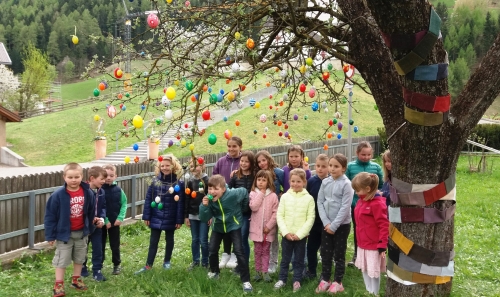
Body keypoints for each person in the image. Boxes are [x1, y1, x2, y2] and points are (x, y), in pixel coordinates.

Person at [44, 163, 96, 297]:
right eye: (70, 177)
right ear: (64, 177)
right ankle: (59, 284)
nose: (74, 180)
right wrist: (50, 235)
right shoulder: (58, 195)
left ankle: (76, 280)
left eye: (76, 177)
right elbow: (50, 216)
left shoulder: (87, 192)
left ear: (82, 176)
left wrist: (90, 226)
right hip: (64, 235)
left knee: (80, 258)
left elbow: (91, 211)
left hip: (81, 233)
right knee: (62, 259)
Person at [199, 174, 253, 293]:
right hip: (218, 226)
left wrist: (242, 209)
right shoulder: (209, 200)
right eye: (210, 188)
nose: (212, 191)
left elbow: (244, 192)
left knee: (239, 250)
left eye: (216, 189)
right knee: (212, 249)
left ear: (223, 189)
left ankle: (246, 280)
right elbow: (204, 218)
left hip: (233, 225)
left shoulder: (232, 194)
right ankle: (215, 272)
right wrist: (204, 206)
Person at [135, 154, 185, 274]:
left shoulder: (178, 183)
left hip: (171, 216)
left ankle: (166, 261)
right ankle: (148, 265)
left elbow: (180, 203)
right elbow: (148, 199)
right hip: (156, 215)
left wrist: (179, 220)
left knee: (169, 239)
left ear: (173, 166)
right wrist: (147, 216)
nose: (165, 168)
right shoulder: (155, 181)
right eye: (162, 165)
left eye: (167, 165)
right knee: (153, 241)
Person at [315, 154, 354, 293]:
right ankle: (325, 279)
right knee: (325, 252)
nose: (332, 169)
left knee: (339, 253)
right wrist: (326, 222)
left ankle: (338, 281)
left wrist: (334, 225)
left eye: (336, 166)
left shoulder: (347, 184)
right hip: (326, 225)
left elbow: (345, 207)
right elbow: (320, 201)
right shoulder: (325, 182)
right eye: (330, 165)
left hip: (341, 225)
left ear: (343, 168)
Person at [274, 168, 315, 293]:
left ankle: (297, 280)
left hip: (300, 237)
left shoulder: (309, 199)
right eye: (293, 181)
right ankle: (282, 279)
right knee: (285, 259)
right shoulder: (285, 197)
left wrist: (300, 234)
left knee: (299, 260)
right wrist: (285, 232)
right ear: (289, 181)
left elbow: (310, 218)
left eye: (298, 181)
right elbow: (280, 215)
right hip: (286, 235)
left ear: (304, 182)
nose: (295, 184)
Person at [345, 141, 383, 266]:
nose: (366, 157)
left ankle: (376, 255)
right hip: (356, 205)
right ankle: (357, 255)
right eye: (363, 154)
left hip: (372, 206)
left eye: (368, 155)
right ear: (357, 153)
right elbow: (347, 184)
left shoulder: (376, 167)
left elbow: (380, 185)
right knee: (359, 230)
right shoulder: (350, 167)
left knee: (373, 231)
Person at [352, 172, 389, 296]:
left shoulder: (377, 204)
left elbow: (384, 225)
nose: (356, 193)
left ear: (367, 189)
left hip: (373, 245)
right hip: (362, 243)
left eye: (358, 190)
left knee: (373, 271)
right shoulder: (361, 201)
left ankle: (375, 292)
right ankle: (368, 291)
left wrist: (382, 244)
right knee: (365, 268)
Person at [213, 136, 243, 269]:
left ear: (240, 147)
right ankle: (226, 253)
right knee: (224, 225)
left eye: (234, 146)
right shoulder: (221, 161)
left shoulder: (243, 161)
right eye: (229, 146)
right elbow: (214, 177)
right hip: (221, 201)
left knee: (234, 227)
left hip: (236, 200)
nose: (231, 149)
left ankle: (235, 255)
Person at [255, 150, 284, 273]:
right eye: (259, 162)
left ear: (269, 159)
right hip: (262, 210)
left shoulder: (278, 172)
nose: (262, 163)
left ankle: (273, 261)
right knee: (264, 237)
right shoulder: (259, 174)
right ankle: (262, 261)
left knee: (274, 237)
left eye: (263, 160)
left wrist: (282, 195)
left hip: (276, 209)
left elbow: (287, 186)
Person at [228, 150, 256, 274]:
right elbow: (229, 191)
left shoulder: (255, 175)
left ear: (251, 163)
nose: (243, 163)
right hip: (237, 212)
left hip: (251, 212)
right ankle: (241, 264)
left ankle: (243, 266)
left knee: (243, 237)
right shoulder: (235, 176)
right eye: (242, 161)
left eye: (246, 161)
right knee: (239, 238)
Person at [248, 170, 279, 283]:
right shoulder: (253, 194)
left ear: (268, 182)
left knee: (266, 251)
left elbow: (276, 213)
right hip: (256, 230)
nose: (261, 182)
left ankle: (265, 272)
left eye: (264, 180)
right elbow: (254, 207)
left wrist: (269, 226)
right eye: (259, 179)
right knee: (257, 251)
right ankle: (257, 271)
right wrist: (261, 193)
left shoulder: (273, 196)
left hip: (267, 231)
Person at [304, 153, 329, 280]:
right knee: (311, 248)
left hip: (327, 222)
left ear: (329, 167)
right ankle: (311, 271)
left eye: (323, 166)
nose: (320, 169)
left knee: (325, 250)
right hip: (314, 221)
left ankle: (325, 274)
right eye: (318, 166)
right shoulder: (311, 181)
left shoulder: (332, 181)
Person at [101, 164, 128, 275]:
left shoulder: (118, 190)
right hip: (102, 224)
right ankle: (99, 264)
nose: (108, 178)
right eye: (106, 175)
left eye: (111, 175)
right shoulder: (99, 190)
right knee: (100, 244)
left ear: (115, 176)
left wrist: (120, 218)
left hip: (115, 223)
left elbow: (124, 203)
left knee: (115, 245)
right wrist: (105, 221)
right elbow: (100, 207)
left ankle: (116, 264)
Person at [184, 156, 210, 270]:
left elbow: (211, 199)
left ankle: (205, 261)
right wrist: (186, 216)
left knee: (203, 240)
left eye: (196, 165)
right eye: (191, 166)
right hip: (193, 214)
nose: (194, 168)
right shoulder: (190, 182)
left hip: (204, 215)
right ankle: (195, 261)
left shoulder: (208, 181)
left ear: (203, 166)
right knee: (195, 239)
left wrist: (210, 215)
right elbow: (187, 200)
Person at [82, 166, 107, 281]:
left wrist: (101, 218)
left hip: (98, 226)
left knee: (98, 248)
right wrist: (90, 219)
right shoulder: (83, 192)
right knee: (83, 248)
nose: (104, 181)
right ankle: (82, 267)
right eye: (102, 178)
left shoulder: (101, 192)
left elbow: (103, 207)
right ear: (92, 178)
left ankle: (97, 270)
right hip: (85, 227)